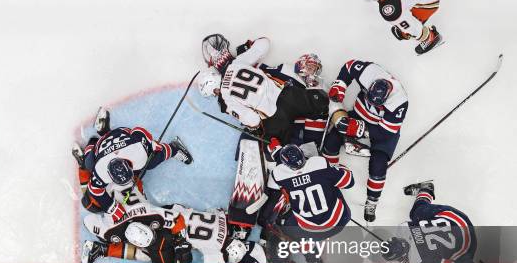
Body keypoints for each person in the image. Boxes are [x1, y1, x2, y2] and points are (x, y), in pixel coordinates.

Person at [198, 34, 328, 145]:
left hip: (276, 117)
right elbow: (264, 43)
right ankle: (336, 116)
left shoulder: (226, 99)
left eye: (214, 92)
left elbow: (252, 119)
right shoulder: (236, 64)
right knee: (322, 102)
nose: (216, 94)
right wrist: (250, 45)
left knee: (278, 149)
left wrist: (254, 129)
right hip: (287, 95)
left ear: (214, 86)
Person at [324, 59, 408, 222]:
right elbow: (349, 67)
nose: (370, 101)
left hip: (381, 128)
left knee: (379, 165)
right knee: (331, 141)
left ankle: (372, 201)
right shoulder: (371, 72)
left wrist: (360, 129)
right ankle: (331, 176)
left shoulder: (399, 103)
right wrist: (340, 85)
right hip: (359, 114)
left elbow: (384, 133)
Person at [72, 108, 193, 217]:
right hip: (105, 146)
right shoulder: (101, 169)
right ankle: (100, 133)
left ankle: (174, 148)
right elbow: (139, 131)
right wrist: (112, 208)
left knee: (151, 161)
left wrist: (152, 144)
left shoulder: (137, 152)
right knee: (89, 164)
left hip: (119, 136)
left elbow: (138, 131)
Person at [382, 181, 492, 263]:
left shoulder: (418, 262)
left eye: (400, 259)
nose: (401, 261)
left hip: (467, 244)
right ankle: (425, 190)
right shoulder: (403, 228)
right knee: (417, 212)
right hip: (457, 218)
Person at [358, 0, 442, 55]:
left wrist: (420, 35)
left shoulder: (390, 10)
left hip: (429, 2)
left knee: (402, 31)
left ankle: (430, 37)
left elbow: (413, 28)